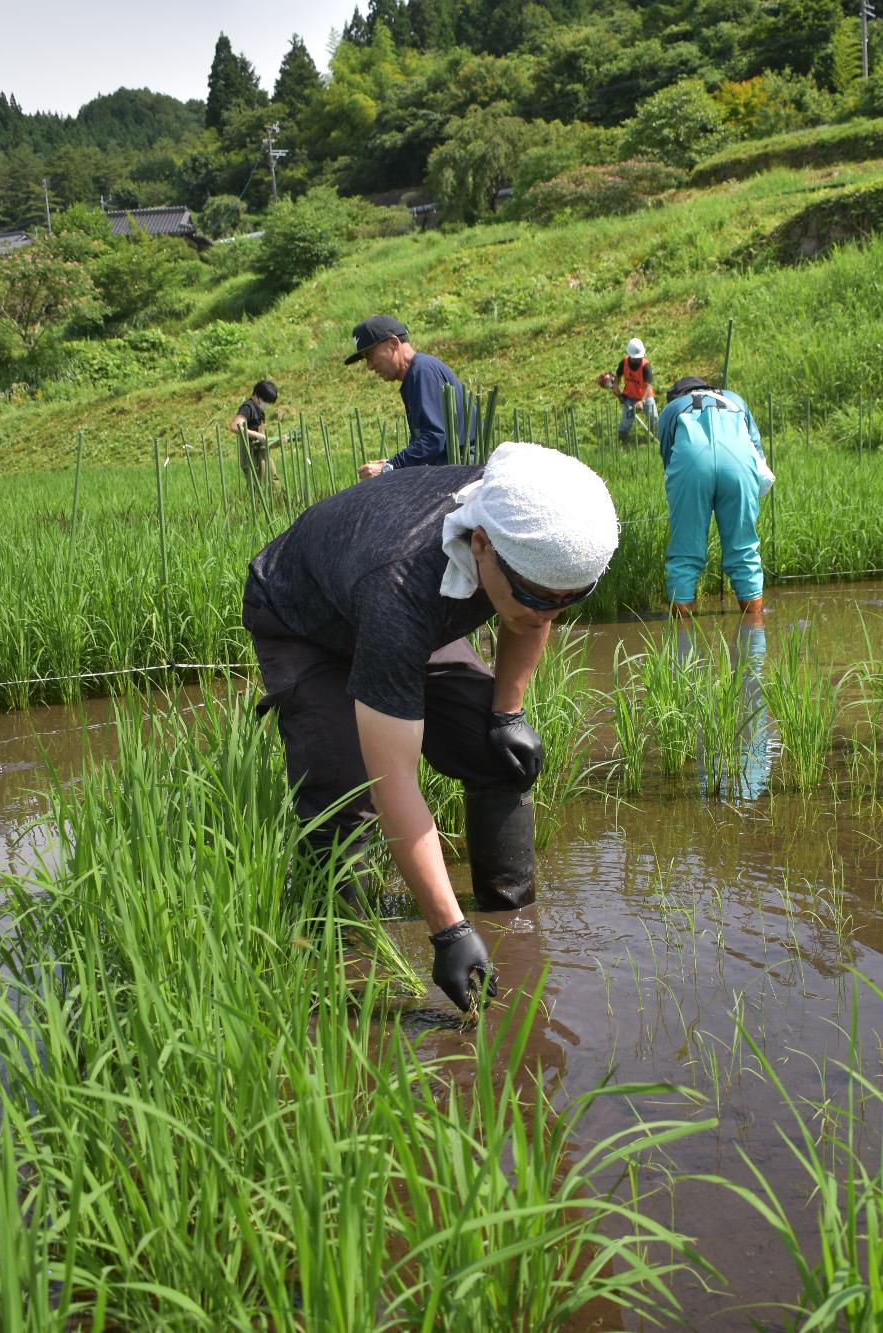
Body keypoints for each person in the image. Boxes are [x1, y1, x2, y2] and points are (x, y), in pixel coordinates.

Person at [244, 441, 618, 1013]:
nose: (548, 616)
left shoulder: (528, 519)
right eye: (533, 597)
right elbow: (391, 777)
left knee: (497, 754)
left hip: (401, 604)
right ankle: (344, 962)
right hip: (306, 622)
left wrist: (506, 713)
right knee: (343, 794)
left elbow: (533, 616)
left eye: (567, 601)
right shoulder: (402, 591)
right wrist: (446, 931)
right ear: (481, 546)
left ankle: (509, 920)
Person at [657, 376, 771, 630]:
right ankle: (754, 632)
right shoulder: (736, 399)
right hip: (739, 464)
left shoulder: (672, 409)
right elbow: (758, 454)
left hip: (691, 465)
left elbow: (668, 459)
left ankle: (683, 640)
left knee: (685, 553)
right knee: (744, 551)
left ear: (678, 395)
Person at [345, 315, 470, 478]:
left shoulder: (422, 372)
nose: (369, 366)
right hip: (452, 469)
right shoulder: (416, 373)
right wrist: (393, 463)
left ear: (393, 343)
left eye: (370, 355)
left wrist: (390, 466)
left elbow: (434, 439)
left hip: (462, 472)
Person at [230, 379, 281, 494]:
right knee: (258, 485)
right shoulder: (248, 407)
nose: (267, 405)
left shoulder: (258, 410)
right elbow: (234, 426)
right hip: (251, 453)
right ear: (257, 397)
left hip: (260, 451)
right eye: (266, 401)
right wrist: (257, 435)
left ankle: (277, 504)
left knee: (272, 479)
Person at [603, 338, 657, 443]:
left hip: (646, 397)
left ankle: (658, 437)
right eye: (634, 358)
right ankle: (621, 441)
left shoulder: (645, 366)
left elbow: (648, 386)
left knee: (654, 419)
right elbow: (617, 376)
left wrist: (642, 401)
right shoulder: (624, 363)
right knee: (625, 423)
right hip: (629, 397)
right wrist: (615, 386)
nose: (637, 360)